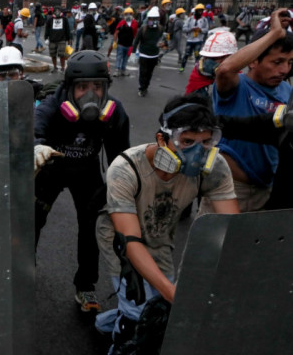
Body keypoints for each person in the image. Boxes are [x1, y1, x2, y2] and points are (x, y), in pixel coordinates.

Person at [94, 95, 239, 353]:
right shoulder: (126, 168)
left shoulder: (215, 168)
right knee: (141, 311)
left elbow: (233, 228)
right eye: (187, 142)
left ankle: (106, 322)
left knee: (157, 302)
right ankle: (122, 337)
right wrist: (173, 294)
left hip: (160, 234)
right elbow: (130, 241)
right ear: (163, 139)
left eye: (206, 141)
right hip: (119, 238)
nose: (198, 151)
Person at [34, 50, 130, 312]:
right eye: (82, 87)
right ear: (69, 88)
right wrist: (36, 147)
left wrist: (122, 190)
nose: (91, 94)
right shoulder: (52, 106)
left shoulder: (114, 113)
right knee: (32, 220)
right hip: (51, 167)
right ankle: (23, 270)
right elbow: (35, 128)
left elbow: (120, 158)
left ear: (106, 87)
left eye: (97, 87)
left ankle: (85, 286)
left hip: (86, 170)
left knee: (92, 227)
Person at [203, 9, 293, 213]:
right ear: (253, 61)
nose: (284, 70)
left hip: (267, 190)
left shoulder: (288, 91)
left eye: (289, 63)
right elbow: (225, 69)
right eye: (277, 62)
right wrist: (275, 34)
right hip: (231, 189)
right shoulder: (237, 87)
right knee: (214, 244)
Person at [184, 31, 238, 101]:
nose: (208, 62)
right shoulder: (199, 73)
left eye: (214, 58)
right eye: (206, 57)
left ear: (229, 57)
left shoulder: (237, 76)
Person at [133, 7, 163, 97]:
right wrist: (133, 53)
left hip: (154, 55)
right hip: (144, 55)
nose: (153, 21)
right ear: (148, 19)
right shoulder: (143, 29)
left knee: (149, 73)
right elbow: (136, 41)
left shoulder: (160, 29)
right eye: (151, 19)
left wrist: (162, 44)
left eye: (155, 19)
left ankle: (146, 87)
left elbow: (162, 40)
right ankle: (142, 88)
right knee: (143, 72)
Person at [179, 4, 209, 73]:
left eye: (201, 11)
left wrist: (200, 30)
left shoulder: (204, 20)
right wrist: (191, 29)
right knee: (186, 54)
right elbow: (184, 28)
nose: (200, 12)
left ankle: (197, 69)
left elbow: (206, 30)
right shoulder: (189, 19)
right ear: (196, 11)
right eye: (199, 11)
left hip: (198, 40)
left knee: (197, 55)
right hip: (189, 40)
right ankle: (182, 67)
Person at [112, 7, 138, 78]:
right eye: (126, 14)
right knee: (119, 57)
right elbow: (116, 32)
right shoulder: (121, 22)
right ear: (124, 15)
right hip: (121, 44)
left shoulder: (134, 23)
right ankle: (117, 70)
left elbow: (135, 34)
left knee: (126, 58)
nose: (128, 15)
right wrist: (114, 42)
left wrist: (135, 44)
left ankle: (123, 70)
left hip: (129, 44)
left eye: (130, 14)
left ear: (132, 15)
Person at [44, 6, 71, 73]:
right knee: (53, 54)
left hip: (62, 39)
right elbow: (47, 29)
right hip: (52, 39)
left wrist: (69, 39)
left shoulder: (64, 19)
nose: (57, 12)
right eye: (56, 10)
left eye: (59, 10)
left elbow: (67, 29)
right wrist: (46, 38)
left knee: (62, 55)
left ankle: (62, 67)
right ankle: (55, 67)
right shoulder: (50, 19)